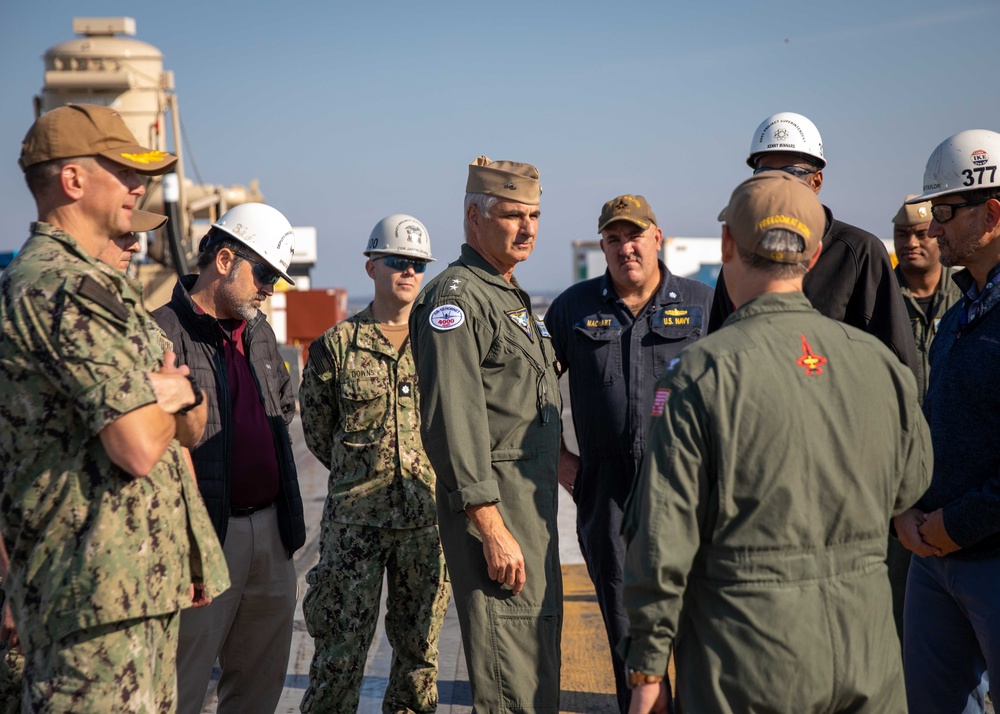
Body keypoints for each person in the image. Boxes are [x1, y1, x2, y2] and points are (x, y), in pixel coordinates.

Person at [621, 171, 932, 714]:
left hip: (748, 658)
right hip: (868, 653)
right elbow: (913, 483)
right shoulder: (881, 366)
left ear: (726, 248)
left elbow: (661, 536)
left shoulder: (699, 375)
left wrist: (648, 665)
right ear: (812, 258)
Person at [0, 103, 228, 712]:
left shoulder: (102, 290)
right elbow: (136, 443)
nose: (139, 188)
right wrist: (170, 393)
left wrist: (174, 393)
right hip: (88, 601)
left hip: (135, 592)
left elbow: (194, 422)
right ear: (73, 181)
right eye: (123, 172)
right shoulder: (56, 287)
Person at [544, 193, 712, 711]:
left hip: (690, 492)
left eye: (635, 236)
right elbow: (528, 391)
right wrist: (560, 459)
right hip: (608, 493)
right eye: (614, 239)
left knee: (698, 624)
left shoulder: (706, 305)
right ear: (603, 246)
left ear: (657, 238)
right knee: (623, 625)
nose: (626, 248)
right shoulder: (573, 307)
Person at [410, 156, 563, 711]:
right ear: (473, 217)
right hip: (497, 515)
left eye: (535, 215)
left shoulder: (508, 294)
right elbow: (452, 420)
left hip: (530, 511)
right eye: (511, 215)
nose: (527, 228)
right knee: (510, 678)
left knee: (534, 663)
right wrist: (489, 524)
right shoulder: (456, 298)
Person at [153, 202, 306, 714]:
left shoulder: (259, 332)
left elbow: (281, 411)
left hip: (272, 535)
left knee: (259, 688)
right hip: (204, 544)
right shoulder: (162, 334)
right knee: (182, 687)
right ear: (224, 260)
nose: (270, 289)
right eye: (264, 274)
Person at [298, 214, 450, 713]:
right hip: (354, 528)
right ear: (371, 266)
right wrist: (365, 471)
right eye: (397, 262)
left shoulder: (441, 345)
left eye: (417, 264)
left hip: (425, 525)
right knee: (338, 658)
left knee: (419, 660)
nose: (408, 272)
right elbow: (322, 433)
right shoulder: (335, 348)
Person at [894, 129, 1000, 714]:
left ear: (992, 212)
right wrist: (909, 507)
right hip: (935, 560)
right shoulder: (964, 312)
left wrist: (955, 524)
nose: (931, 229)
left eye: (944, 212)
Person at [708, 111, 918, 373]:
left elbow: (897, 364)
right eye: (764, 173)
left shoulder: (859, 252)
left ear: (816, 181)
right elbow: (716, 351)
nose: (777, 184)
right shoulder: (741, 255)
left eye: (791, 173)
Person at [886, 193, 963, 642]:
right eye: (902, 234)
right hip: (897, 482)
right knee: (899, 608)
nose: (911, 242)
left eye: (920, 233)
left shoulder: (970, 295)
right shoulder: (878, 299)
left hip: (959, 473)